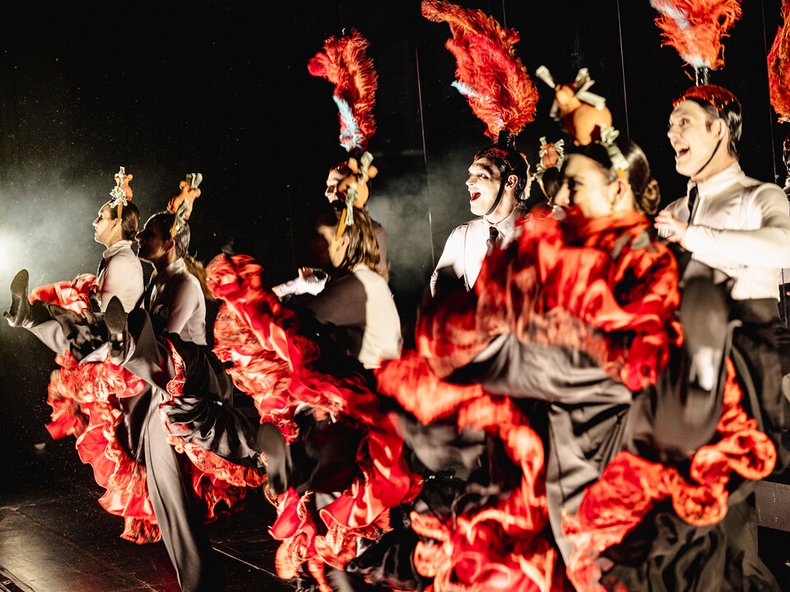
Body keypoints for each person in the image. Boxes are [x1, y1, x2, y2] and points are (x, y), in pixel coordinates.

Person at [655, 84, 790, 472]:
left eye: (684, 122)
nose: (671, 133)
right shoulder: (675, 211)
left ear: (718, 130)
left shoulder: (758, 195)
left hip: (748, 365)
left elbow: (784, 245)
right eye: (670, 124)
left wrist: (694, 237)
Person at [429, 142, 532, 296]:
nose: (468, 182)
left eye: (482, 175)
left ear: (510, 182)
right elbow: (438, 284)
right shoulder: (462, 235)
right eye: (471, 174)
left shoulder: (540, 233)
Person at [325, 161, 390, 278]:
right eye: (327, 186)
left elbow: (369, 283)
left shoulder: (373, 232)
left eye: (334, 185)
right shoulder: (337, 228)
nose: (327, 193)